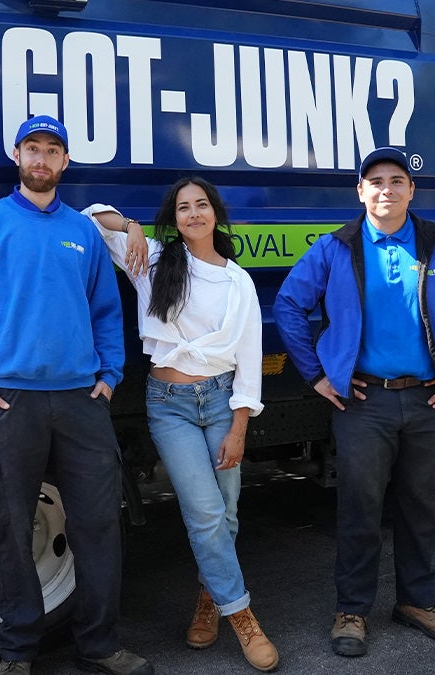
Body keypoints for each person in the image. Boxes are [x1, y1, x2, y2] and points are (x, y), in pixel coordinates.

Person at [0, 115, 153, 675]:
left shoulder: (82, 232)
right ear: (17, 156)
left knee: (97, 525)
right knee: (10, 527)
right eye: (32, 148)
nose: (42, 159)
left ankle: (100, 645)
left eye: (52, 150)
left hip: (82, 402)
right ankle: (17, 652)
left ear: (65, 162)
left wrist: (109, 376)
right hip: (10, 402)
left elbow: (107, 310)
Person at [273, 147, 435, 656]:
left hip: (429, 400)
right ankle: (352, 610)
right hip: (363, 403)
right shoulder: (337, 247)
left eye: (397, 180)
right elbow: (289, 304)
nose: (386, 190)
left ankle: (418, 602)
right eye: (375, 181)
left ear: (411, 191)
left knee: (423, 508)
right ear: (361, 191)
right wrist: (316, 374)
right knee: (359, 509)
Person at [81, 177, 279, 672]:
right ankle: (244, 617)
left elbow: (249, 362)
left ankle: (209, 599)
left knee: (227, 511)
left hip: (220, 401)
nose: (194, 214)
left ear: (216, 213)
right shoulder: (155, 261)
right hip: (168, 404)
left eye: (202, 205)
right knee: (206, 511)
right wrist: (129, 227)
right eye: (184, 208)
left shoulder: (238, 281)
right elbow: (91, 215)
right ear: (174, 218)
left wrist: (239, 429)